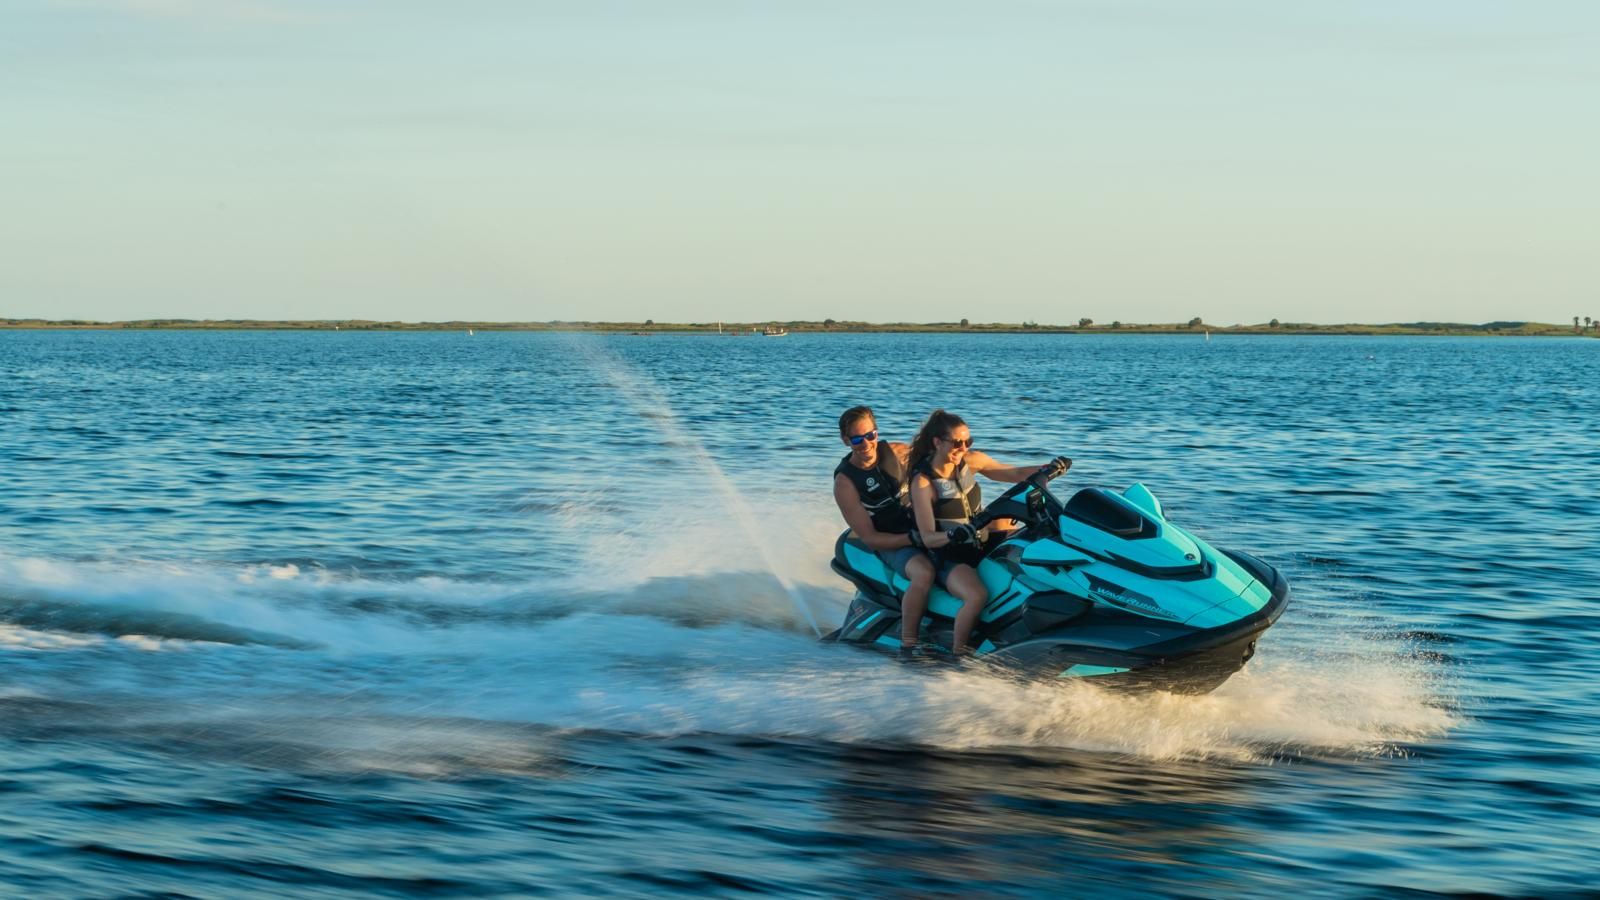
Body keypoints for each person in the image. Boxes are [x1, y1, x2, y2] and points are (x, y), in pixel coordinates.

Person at [907, 409, 1069, 654]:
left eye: (967, 442)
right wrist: (953, 535)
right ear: (937, 442)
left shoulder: (970, 461)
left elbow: (1013, 474)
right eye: (957, 443)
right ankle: (959, 652)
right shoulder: (923, 483)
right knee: (976, 596)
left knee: (1029, 541)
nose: (963, 448)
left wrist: (1049, 468)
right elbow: (928, 537)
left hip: (978, 540)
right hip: (949, 554)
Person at [832, 406, 949, 655]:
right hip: (893, 542)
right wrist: (913, 538)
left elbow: (943, 463)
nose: (866, 444)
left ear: (877, 432)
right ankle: (908, 644)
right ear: (845, 441)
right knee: (924, 573)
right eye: (856, 439)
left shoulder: (898, 452)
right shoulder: (845, 483)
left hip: (926, 526)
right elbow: (870, 538)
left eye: (870, 436)